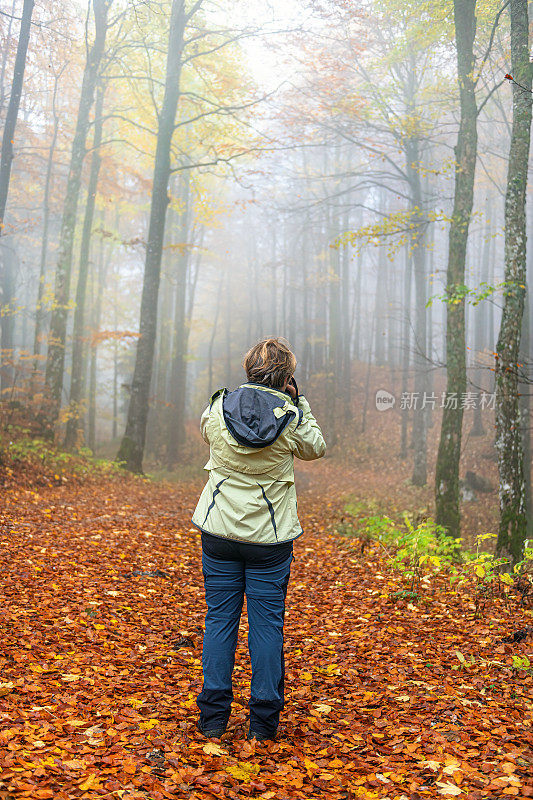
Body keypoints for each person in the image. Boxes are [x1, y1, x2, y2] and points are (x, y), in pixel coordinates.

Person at [191, 337, 326, 741]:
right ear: (287, 377)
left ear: (249, 369)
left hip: (218, 531)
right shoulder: (290, 417)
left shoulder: (218, 408)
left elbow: (207, 434)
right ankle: (263, 724)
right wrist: (300, 404)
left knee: (219, 619)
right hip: (269, 539)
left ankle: (213, 719)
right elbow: (315, 448)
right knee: (266, 625)